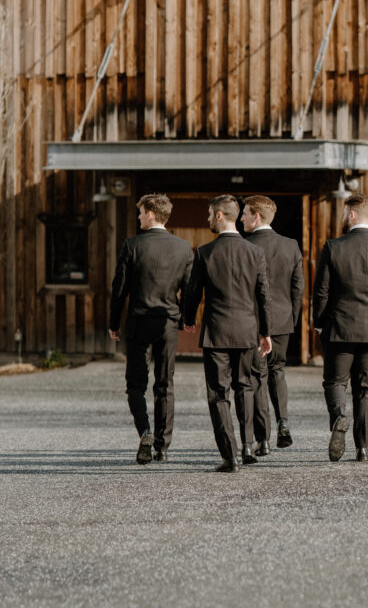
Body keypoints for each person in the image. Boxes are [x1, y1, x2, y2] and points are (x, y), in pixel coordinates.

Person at [312, 192, 368, 463]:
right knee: (365, 387)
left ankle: (339, 417)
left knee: (335, 381)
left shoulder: (333, 247)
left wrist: (319, 323)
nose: (343, 216)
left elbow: (321, 291)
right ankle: (362, 448)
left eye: (344, 212)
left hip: (339, 327)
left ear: (352, 214)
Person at [184, 195, 272, 472]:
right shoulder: (255, 253)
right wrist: (265, 332)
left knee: (218, 393)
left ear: (220, 215)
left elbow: (192, 292)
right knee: (245, 387)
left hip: (216, 332)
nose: (208, 219)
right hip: (247, 331)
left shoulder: (205, 252)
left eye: (211, 214)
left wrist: (188, 318)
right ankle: (247, 445)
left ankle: (229, 455)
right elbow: (263, 296)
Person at [109, 193, 193, 465]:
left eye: (141, 212)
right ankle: (162, 446)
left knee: (135, 384)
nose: (138, 217)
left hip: (138, 322)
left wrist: (113, 323)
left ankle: (145, 431)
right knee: (165, 384)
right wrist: (186, 318)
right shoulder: (183, 248)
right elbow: (189, 290)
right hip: (167, 323)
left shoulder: (132, 245)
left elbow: (119, 288)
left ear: (151, 214)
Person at [240, 195, 304, 454]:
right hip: (282, 320)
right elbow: (298, 288)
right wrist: (292, 319)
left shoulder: (244, 246)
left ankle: (263, 438)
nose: (241, 218)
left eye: (245, 213)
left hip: (253, 322)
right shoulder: (290, 245)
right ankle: (283, 421)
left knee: (257, 376)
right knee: (277, 370)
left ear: (256, 216)